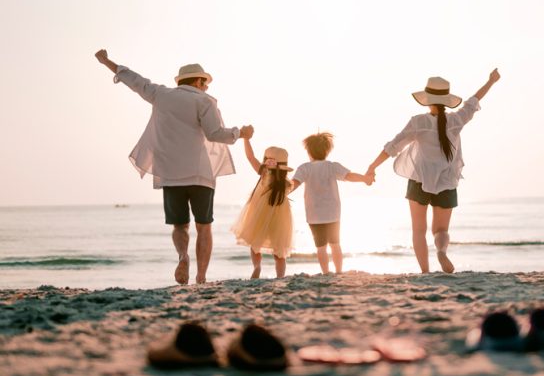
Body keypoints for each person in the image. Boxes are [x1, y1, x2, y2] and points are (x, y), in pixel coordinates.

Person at [94, 49, 253, 285]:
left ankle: (182, 256)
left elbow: (134, 81)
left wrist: (107, 62)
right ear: (198, 81)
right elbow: (214, 134)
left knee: (180, 225)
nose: (207, 88)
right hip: (200, 173)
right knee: (204, 226)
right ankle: (201, 277)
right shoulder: (204, 101)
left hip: (170, 173)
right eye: (205, 83)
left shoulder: (161, 94)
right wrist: (240, 133)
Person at [365, 69, 501, 273]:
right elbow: (473, 101)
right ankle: (441, 251)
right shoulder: (456, 120)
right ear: (446, 100)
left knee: (419, 231)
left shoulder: (419, 122)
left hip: (419, 180)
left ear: (427, 100)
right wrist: (491, 81)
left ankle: (425, 272)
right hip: (447, 181)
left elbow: (393, 146)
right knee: (441, 230)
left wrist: (372, 167)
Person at [290, 132, 373, 274]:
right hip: (333, 213)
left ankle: (325, 272)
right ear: (327, 151)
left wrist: (281, 192)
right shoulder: (332, 166)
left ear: (309, 151)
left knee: (320, 247)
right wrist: (365, 178)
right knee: (335, 244)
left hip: (314, 215)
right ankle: (339, 271)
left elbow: (294, 184)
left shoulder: (304, 168)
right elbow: (350, 176)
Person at [231, 140, 294, 279]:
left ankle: (257, 266)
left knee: (255, 242)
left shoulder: (264, 173)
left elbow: (250, 156)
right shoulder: (286, 183)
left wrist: (246, 139)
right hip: (281, 215)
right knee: (279, 249)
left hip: (259, 211)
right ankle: (280, 276)